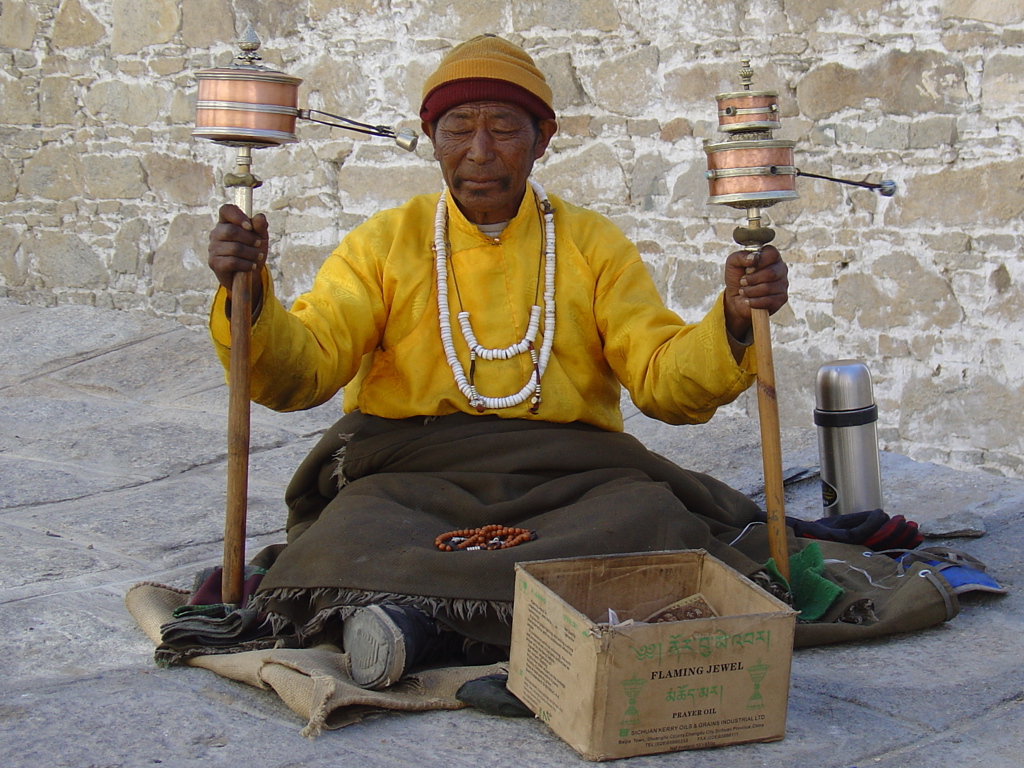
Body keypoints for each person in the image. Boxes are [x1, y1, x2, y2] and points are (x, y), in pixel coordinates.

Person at [204, 36, 929, 692]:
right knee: (352, 532)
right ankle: (480, 623)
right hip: (410, 476)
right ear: (432, 139)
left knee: (649, 519)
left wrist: (734, 321)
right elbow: (301, 370)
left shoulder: (590, 245)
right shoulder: (383, 245)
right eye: (458, 129)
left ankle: (416, 624)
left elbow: (663, 379)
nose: (479, 151)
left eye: (503, 128)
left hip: (571, 477)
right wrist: (247, 298)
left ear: (542, 139)